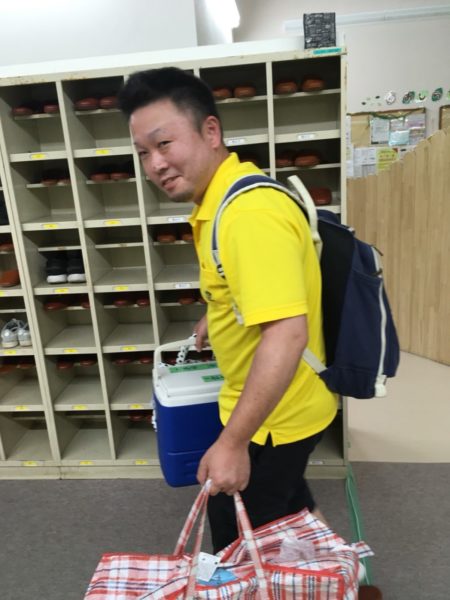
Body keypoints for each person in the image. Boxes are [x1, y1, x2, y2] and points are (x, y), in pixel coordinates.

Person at [118, 67, 338, 553]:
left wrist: (234, 443)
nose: (155, 164)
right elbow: (253, 286)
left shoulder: (247, 215)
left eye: (164, 143)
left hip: (273, 420)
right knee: (291, 506)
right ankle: (344, 572)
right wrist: (220, 310)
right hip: (278, 406)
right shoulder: (225, 197)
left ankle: (319, 575)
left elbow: (286, 333)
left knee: (236, 544)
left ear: (211, 131)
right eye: (143, 153)